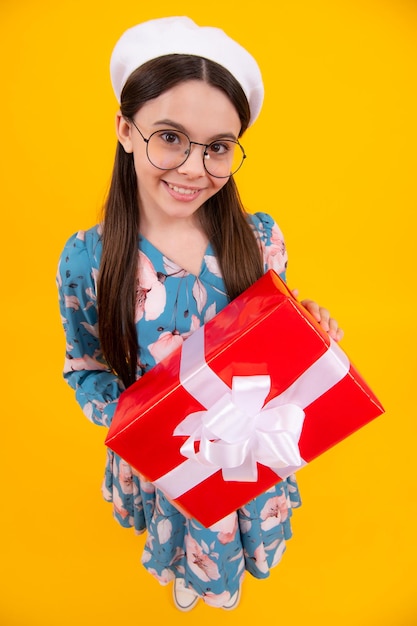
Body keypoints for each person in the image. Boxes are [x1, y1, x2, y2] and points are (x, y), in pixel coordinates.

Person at [56, 16, 343, 612]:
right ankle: (184, 573)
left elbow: (273, 339)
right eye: (169, 137)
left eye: (217, 148)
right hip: (165, 466)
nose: (193, 168)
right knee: (180, 565)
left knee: (229, 564)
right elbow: (84, 367)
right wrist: (146, 426)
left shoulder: (260, 239)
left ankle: (222, 576)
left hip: (244, 452)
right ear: (126, 130)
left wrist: (308, 325)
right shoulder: (89, 258)